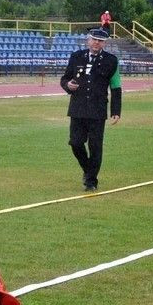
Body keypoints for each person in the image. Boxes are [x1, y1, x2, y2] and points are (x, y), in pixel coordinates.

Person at [60, 28, 122, 191]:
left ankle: (91, 182)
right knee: (75, 143)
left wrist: (116, 111)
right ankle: (89, 170)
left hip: (97, 110)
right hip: (78, 109)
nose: (96, 43)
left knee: (95, 147)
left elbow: (116, 87)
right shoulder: (76, 57)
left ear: (104, 43)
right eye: (94, 39)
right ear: (88, 40)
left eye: (100, 41)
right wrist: (68, 85)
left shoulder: (111, 61)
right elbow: (65, 78)